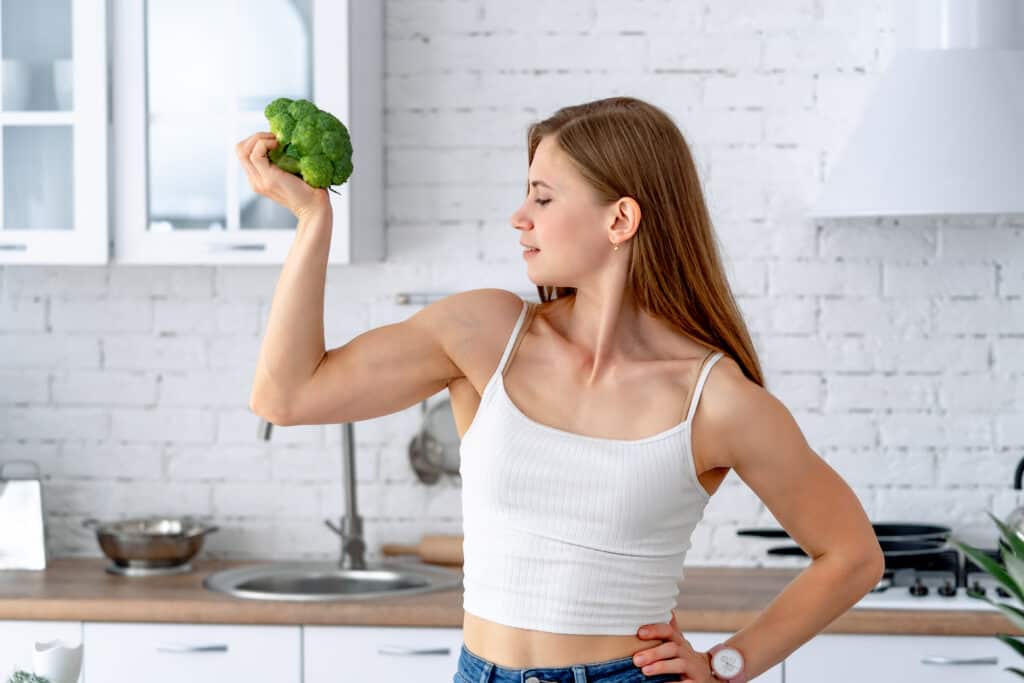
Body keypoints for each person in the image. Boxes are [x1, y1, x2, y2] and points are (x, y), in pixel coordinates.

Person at [237, 96, 885, 683]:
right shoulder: (484, 332)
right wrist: (312, 220)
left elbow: (852, 554)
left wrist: (724, 665)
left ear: (620, 218)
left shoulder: (715, 400)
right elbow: (286, 395)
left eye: (543, 198)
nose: (520, 218)